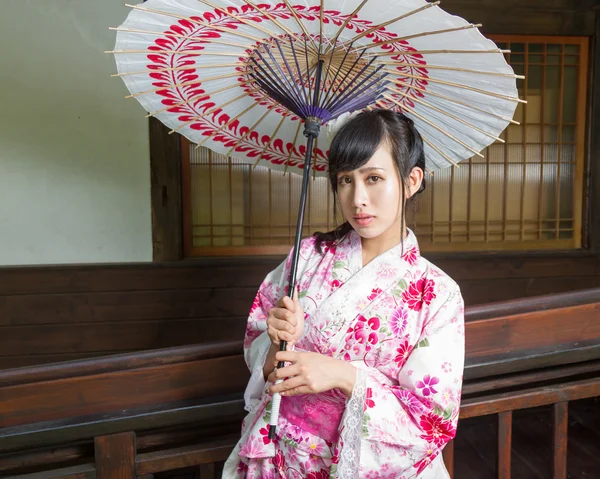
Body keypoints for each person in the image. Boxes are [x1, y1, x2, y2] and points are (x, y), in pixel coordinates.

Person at [222, 109, 465, 479]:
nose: (357, 199)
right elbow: (262, 361)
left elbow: (431, 419)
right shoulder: (306, 259)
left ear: (412, 180)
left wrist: (344, 375)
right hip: (283, 458)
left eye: (374, 178)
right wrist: (276, 345)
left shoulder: (438, 294)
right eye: (345, 180)